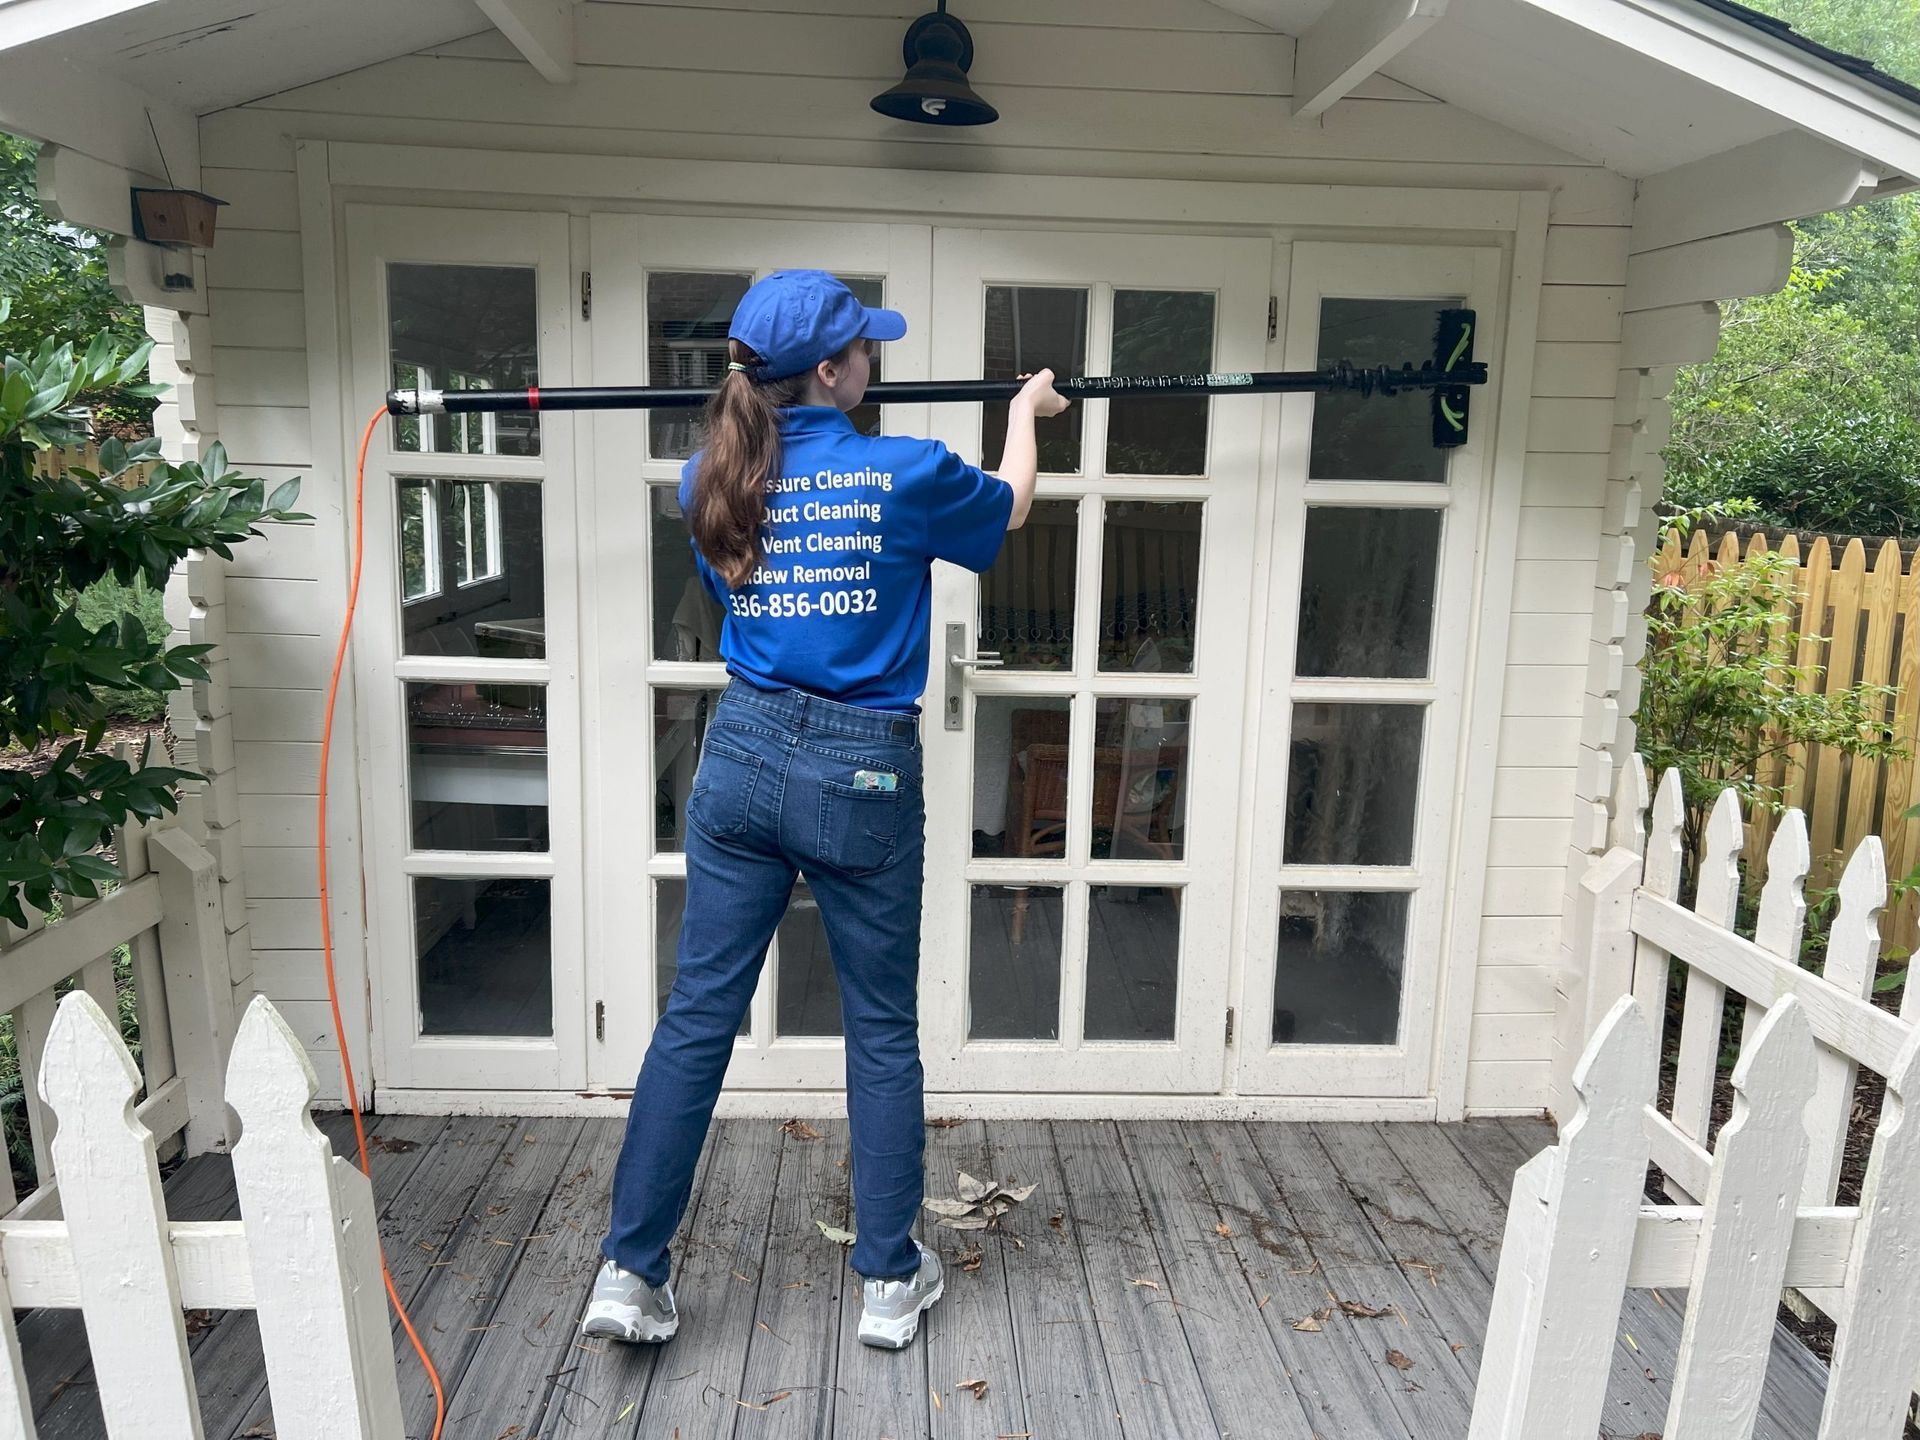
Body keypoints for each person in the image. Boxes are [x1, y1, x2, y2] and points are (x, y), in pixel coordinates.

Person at [584, 270, 1068, 1351]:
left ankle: (628, 1272)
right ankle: (890, 1282)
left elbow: (735, 602)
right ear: (837, 371)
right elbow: (1016, 503)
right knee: (881, 1028)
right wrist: (1023, 415)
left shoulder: (710, 476)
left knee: (696, 1017)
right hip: (862, 770)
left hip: (744, 752)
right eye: (865, 351)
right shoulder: (905, 471)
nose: (874, 363)